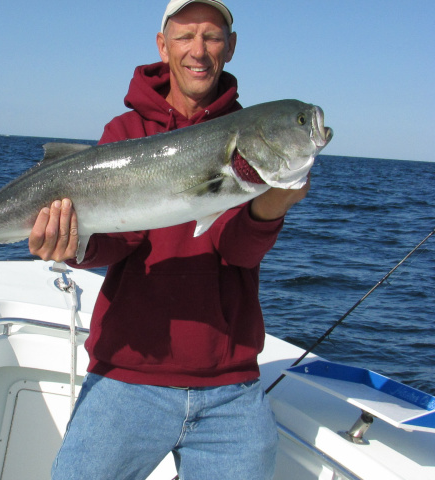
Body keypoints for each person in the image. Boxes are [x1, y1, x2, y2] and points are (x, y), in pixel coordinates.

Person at [30, 1, 310, 478]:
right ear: (163, 46)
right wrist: (72, 245)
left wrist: (272, 205)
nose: (198, 50)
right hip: (126, 375)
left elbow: (237, 251)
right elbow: (121, 240)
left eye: (212, 36)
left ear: (231, 47)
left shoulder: (246, 134)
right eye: (184, 36)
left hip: (230, 389)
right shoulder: (125, 132)